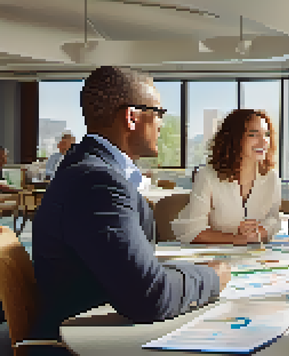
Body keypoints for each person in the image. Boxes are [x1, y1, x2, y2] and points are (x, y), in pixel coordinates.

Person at [22, 66, 231, 356]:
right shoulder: (98, 182)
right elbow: (149, 296)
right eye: (158, 112)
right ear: (132, 117)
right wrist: (211, 278)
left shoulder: (88, 170)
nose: (161, 122)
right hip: (82, 344)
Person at [171, 109, 281, 244]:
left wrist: (260, 232)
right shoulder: (207, 175)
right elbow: (193, 231)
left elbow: (274, 219)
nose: (264, 141)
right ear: (235, 138)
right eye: (253, 135)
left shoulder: (272, 177)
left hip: (254, 257)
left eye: (267, 134)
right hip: (213, 257)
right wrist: (237, 239)